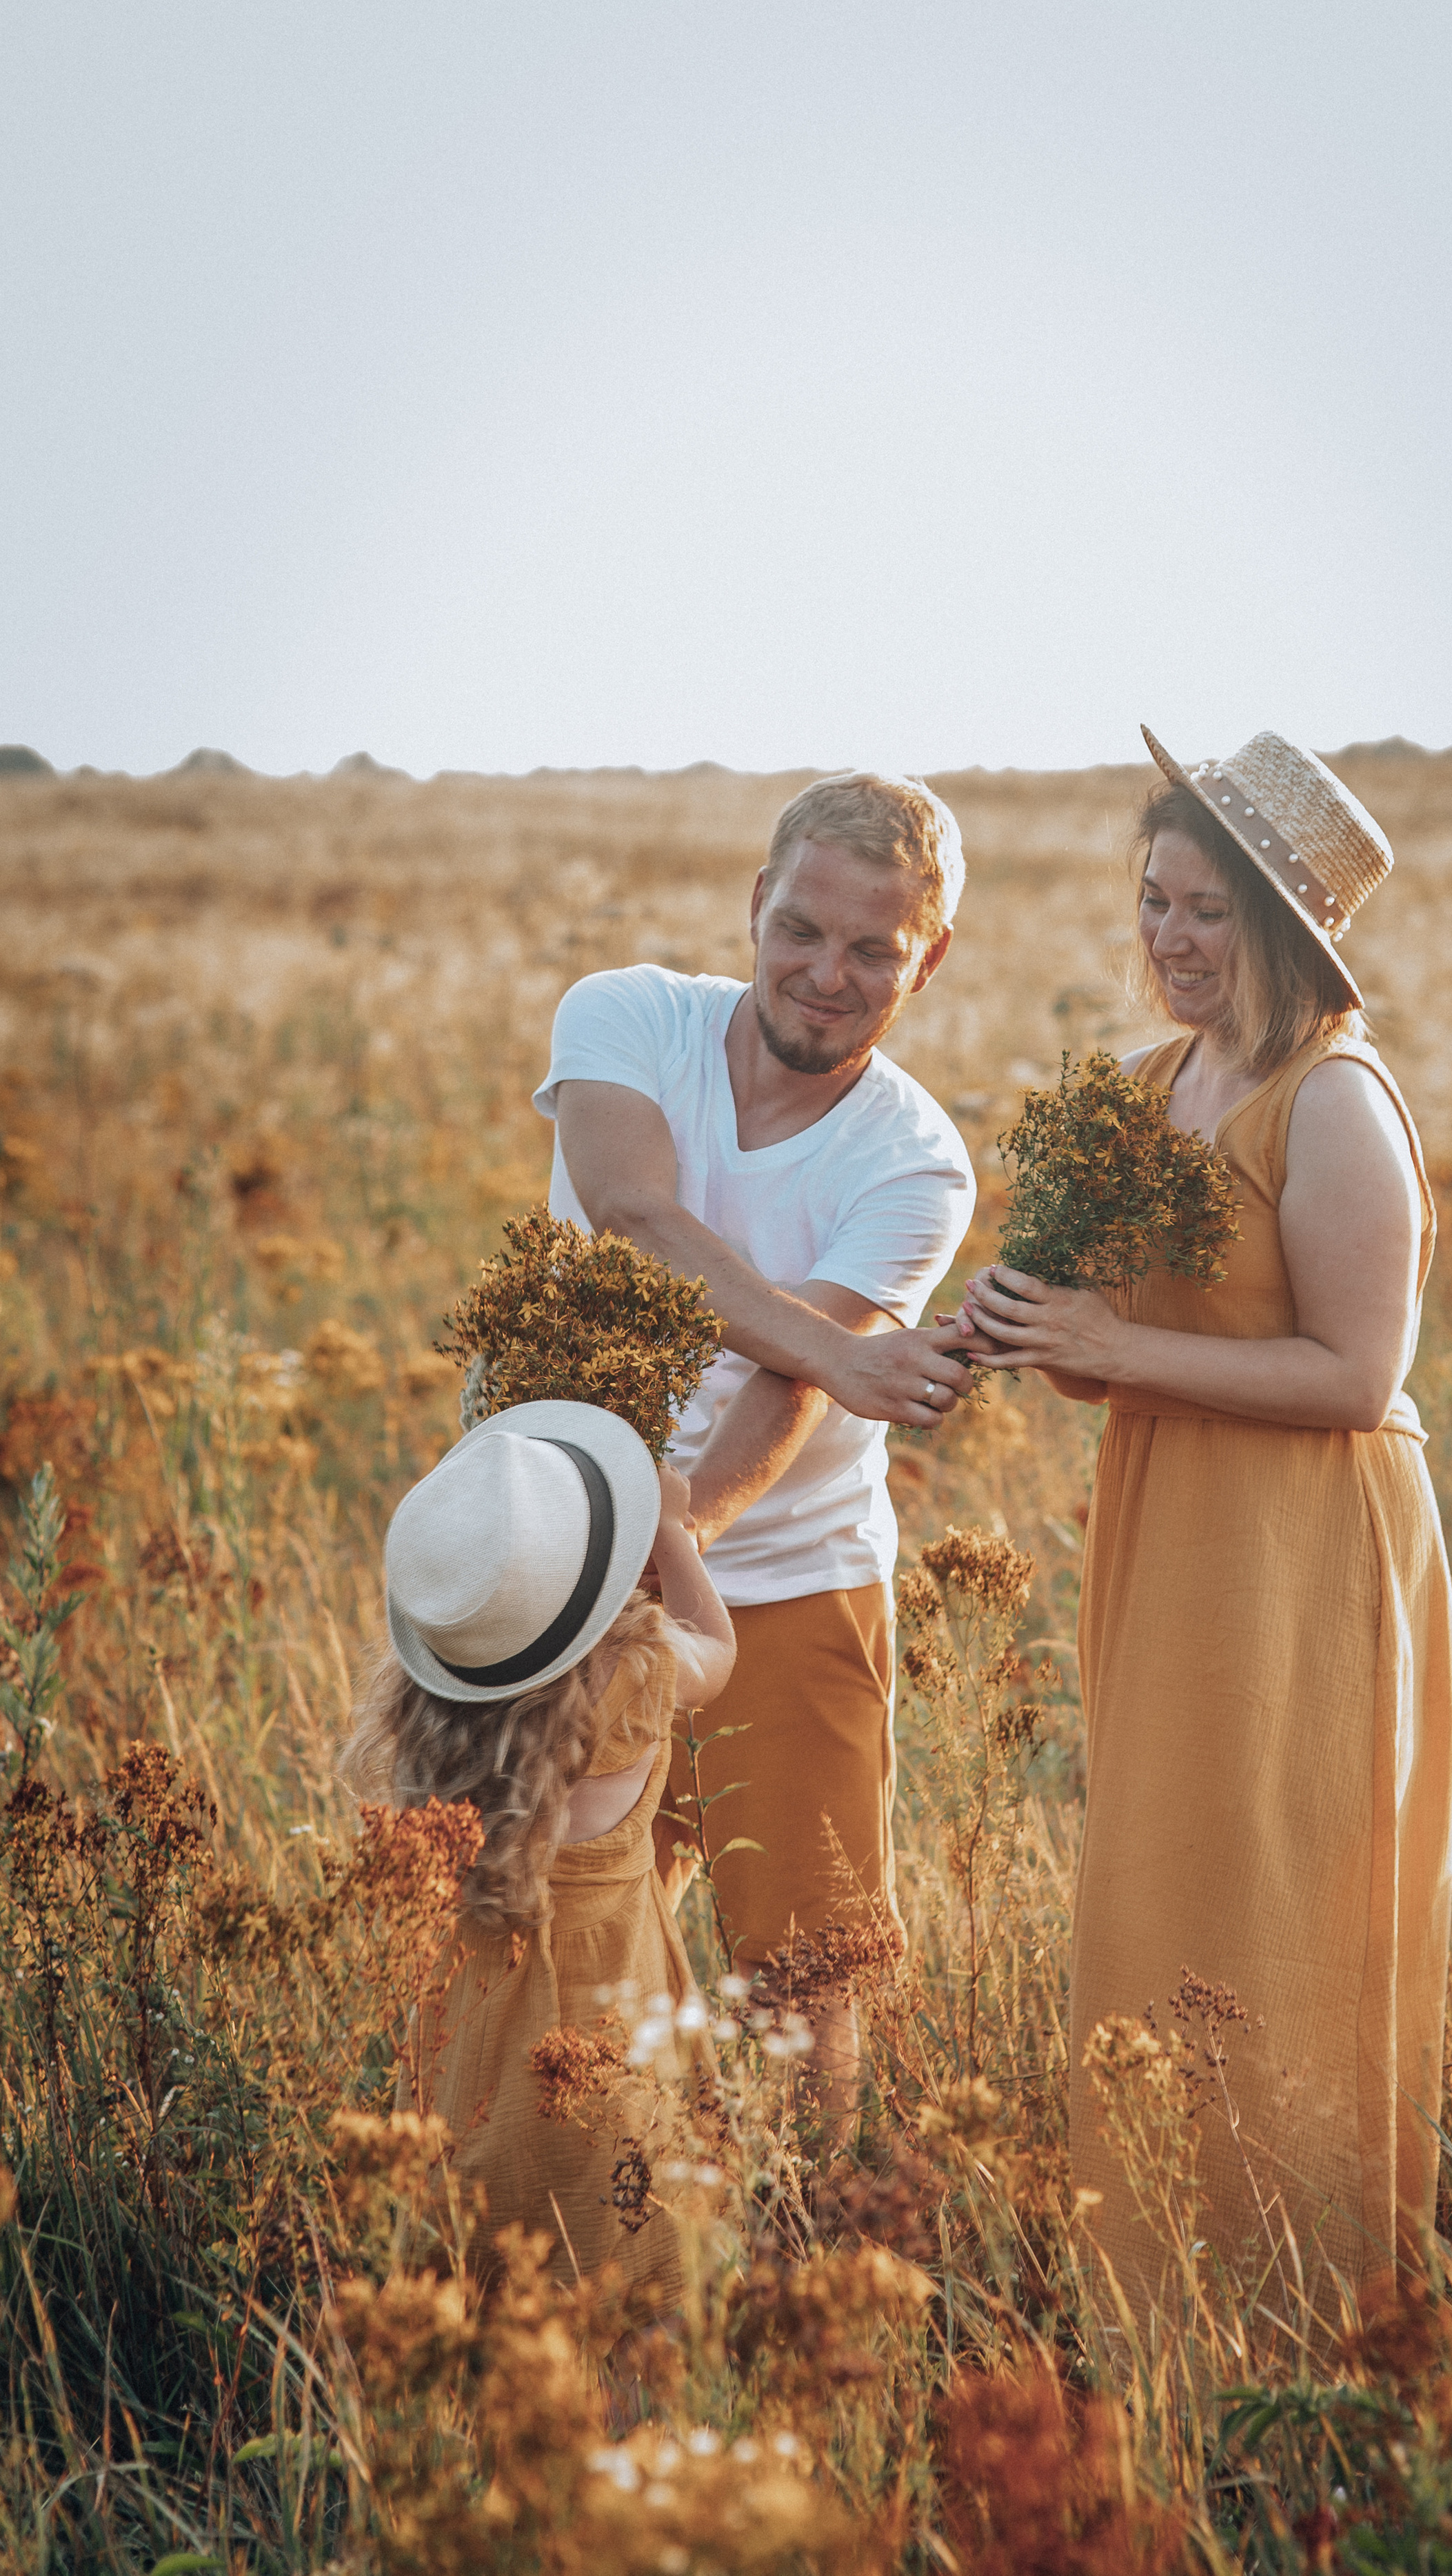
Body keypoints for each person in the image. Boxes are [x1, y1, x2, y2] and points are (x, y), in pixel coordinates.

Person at [958, 726, 1452, 2315]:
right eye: (1152, 900)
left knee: (1280, 1904)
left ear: (1282, 931)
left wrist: (1109, 1349)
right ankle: (1153, 2304)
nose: (1167, 938)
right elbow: (1094, 1356)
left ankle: (1309, 2304)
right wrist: (1029, 1325)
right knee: (1161, 1893)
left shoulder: (1332, 1103)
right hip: (1169, 1537)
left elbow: (1357, 1376)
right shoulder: (1139, 1089)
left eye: (1204, 912)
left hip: (1304, 1552)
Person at [534, 775, 978, 2129]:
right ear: (755, 905)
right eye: (801, 930)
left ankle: (815, 2227)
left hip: (791, 1582)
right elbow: (631, 1212)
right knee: (547, 1943)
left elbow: (789, 1391)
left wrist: (676, 1546)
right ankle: (570, 2221)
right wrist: (842, 1355)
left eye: (872, 951)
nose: (826, 975)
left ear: (927, 961)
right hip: (557, 1564)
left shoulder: (915, 1162)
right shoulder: (622, 1016)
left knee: (803, 1978)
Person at [339, 1398, 737, 2290]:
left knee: (476, 2238)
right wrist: (673, 1534)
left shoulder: (434, 1709)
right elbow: (718, 1649)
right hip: (612, 2024)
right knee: (631, 2241)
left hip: (475, 2035)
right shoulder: (636, 1671)